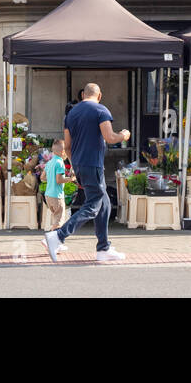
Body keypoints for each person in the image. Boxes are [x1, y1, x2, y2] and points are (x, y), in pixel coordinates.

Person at [43, 82, 129, 262]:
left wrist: (75, 166)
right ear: (99, 95)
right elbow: (110, 137)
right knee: (94, 204)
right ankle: (58, 236)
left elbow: (67, 145)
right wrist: (124, 135)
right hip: (93, 164)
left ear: (83, 95)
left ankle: (103, 249)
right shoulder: (101, 110)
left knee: (104, 202)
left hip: (80, 164)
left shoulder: (71, 113)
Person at [42, 139, 70, 236]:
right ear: (63, 152)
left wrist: (51, 179)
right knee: (59, 222)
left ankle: (53, 240)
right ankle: (53, 240)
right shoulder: (60, 163)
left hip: (48, 195)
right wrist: (71, 179)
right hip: (57, 196)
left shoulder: (49, 163)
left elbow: (42, 178)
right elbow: (59, 180)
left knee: (55, 219)